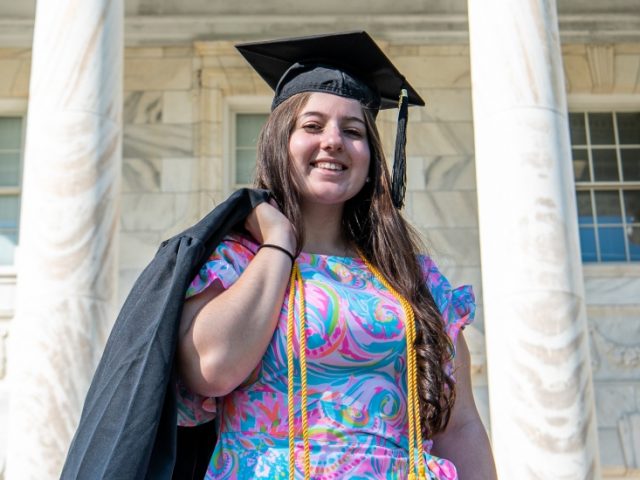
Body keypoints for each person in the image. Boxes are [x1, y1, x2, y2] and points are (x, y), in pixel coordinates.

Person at [175, 31, 497, 480]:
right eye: (312, 126)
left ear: (371, 160)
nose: (334, 141)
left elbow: (459, 425)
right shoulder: (235, 262)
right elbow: (211, 370)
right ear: (279, 144)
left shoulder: (412, 277)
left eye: (353, 130)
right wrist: (279, 243)